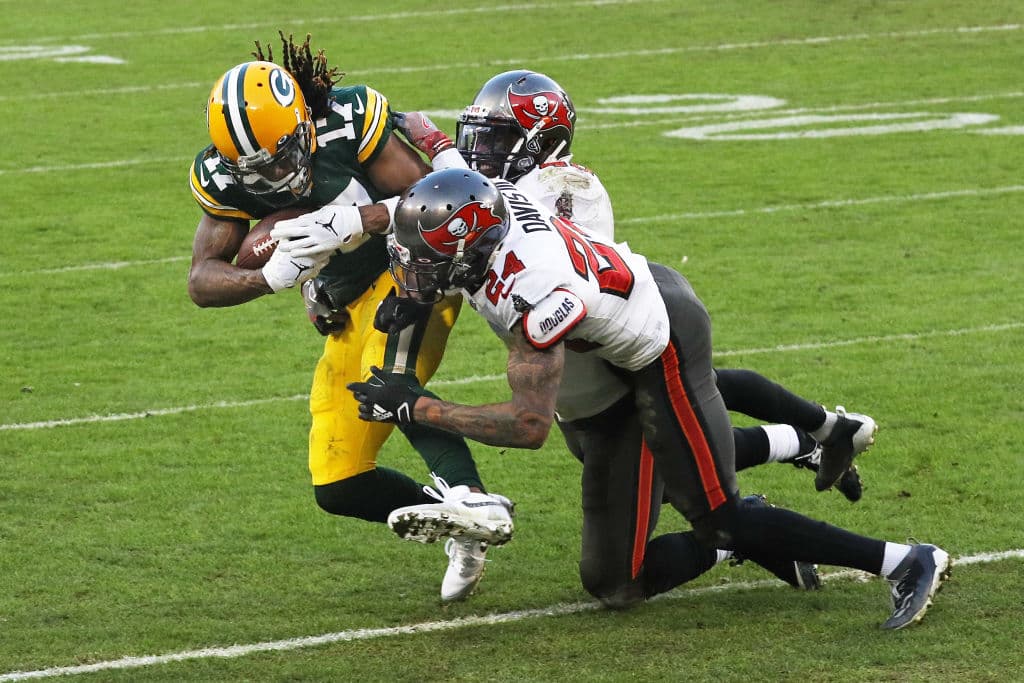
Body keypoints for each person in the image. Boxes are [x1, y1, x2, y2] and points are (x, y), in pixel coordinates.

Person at [349, 166, 951, 630]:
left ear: (474, 250)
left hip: (660, 348)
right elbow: (434, 152)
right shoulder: (490, 198)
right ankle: (779, 487)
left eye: (426, 257)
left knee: (717, 513)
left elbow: (528, 424)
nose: (411, 265)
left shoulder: (535, 294)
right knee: (613, 582)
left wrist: (416, 406)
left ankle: (904, 559)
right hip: (619, 324)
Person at [392, 70, 875, 501]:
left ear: (539, 143)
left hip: (598, 321)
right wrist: (436, 146)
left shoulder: (564, 185)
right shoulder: (512, 185)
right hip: (591, 325)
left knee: (661, 435)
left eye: (496, 142)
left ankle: (806, 450)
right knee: (655, 427)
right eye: (478, 138)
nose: (482, 152)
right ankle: (817, 435)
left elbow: (538, 255)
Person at [186, 32, 512, 602]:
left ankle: (472, 495)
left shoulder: (346, 119)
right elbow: (201, 280)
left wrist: (354, 221)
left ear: (304, 125)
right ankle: (461, 524)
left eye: (283, 156)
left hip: (414, 270)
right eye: (255, 169)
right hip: (350, 299)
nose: (273, 178)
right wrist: (267, 279)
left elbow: (437, 198)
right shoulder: (223, 176)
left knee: (386, 381)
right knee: (339, 482)